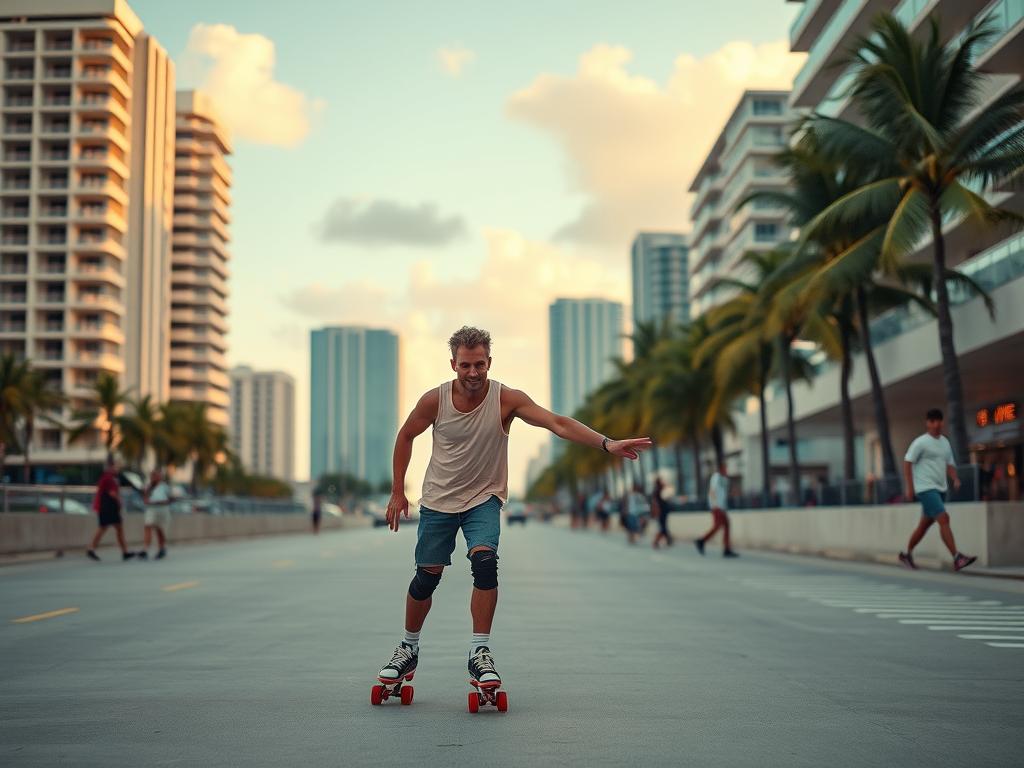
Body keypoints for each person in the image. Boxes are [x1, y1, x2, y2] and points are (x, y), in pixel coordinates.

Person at [376, 326, 651, 694]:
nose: (473, 373)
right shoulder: (434, 400)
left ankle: (479, 650)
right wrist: (398, 491)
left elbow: (557, 423)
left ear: (489, 362)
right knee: (426, 578)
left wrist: (607, 443)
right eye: (465, 366)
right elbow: (406, 435)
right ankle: (408, 647)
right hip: (438, 500)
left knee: (485, 563)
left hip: (483, 498)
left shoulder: (507, 400)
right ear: (453, 364)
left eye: (480, 365)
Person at [899, 408, 976, 572]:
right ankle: (957, 557)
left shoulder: (945, 442)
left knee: (923, 526)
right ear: (927, 423)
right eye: (932, 421)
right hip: (925, 489)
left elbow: (949, 463)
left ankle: (907, 555)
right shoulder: (920, 442)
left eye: (939, 420)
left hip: (940, 489)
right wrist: (910, 488)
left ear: (942, 422)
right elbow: (907, 462)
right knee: (944, 518)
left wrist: (955, 478)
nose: (936, 424)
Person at [86, 458, 135, 562]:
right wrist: (120, 502)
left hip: (107, 508)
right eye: (115, 467)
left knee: (116, 528)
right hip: (107, 508)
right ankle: (91, 548)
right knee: (105, 528)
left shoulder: (110, 478)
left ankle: (125, 552)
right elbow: (112, 493)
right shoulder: (109, 478)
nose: (117, 469)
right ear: (110, 468)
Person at [696, 461, 737, 557]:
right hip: (717, 506)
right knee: (718, 525)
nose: (727, 470)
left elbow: (724, 494)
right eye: (725, 468)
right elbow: (712, 491)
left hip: (722, 507)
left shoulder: (725, 479)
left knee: (725, 525)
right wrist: (714, 504)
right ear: (721, 468)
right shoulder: (716, 477)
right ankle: (702, 541)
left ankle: (726, 548)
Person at [138, 467, 172, 560]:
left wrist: (155, 502)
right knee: (147, 526)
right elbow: (145, 498)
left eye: (155, 475)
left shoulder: (164, 486)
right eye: (152, 475)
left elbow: (168, 500)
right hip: (151, 510)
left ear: (160, 477)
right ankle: (145, 549)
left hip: (162, 510)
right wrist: (146, 498)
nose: (153, 477)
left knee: (160, 530)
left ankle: (162, 548)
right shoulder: (148, 486)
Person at [651, 476, 673, 549]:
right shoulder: (658, 490)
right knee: (662, 527)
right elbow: (656, 502)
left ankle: (668, 540)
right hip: (661, 511)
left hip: (663, 510)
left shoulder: (660, 489)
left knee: (663, 526)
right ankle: (656, 541)